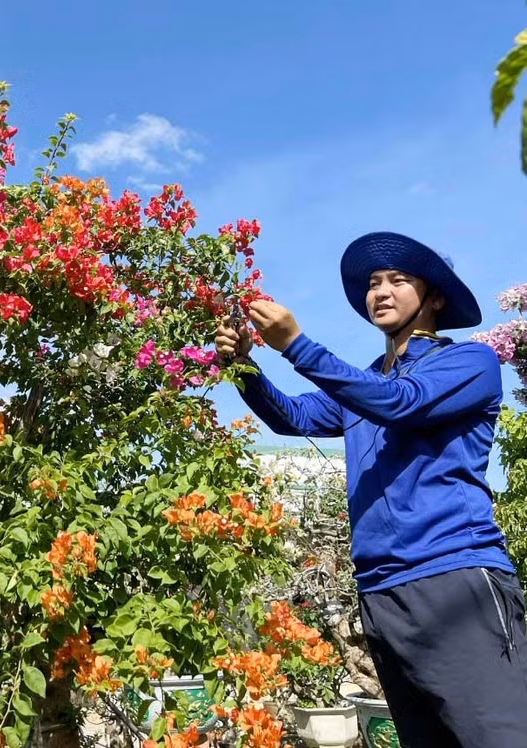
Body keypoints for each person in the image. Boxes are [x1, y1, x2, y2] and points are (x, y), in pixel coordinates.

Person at [215, 231, 527, 747]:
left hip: (452, 577)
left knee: (498, 736)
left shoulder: (468, 364)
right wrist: (243, 367)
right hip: (381, 591)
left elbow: (402, 402)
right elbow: (292, 416)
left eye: (398, 280)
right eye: (373, 283)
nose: (379, 290)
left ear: (436, 298)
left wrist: (296, 345)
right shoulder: (366, 384)